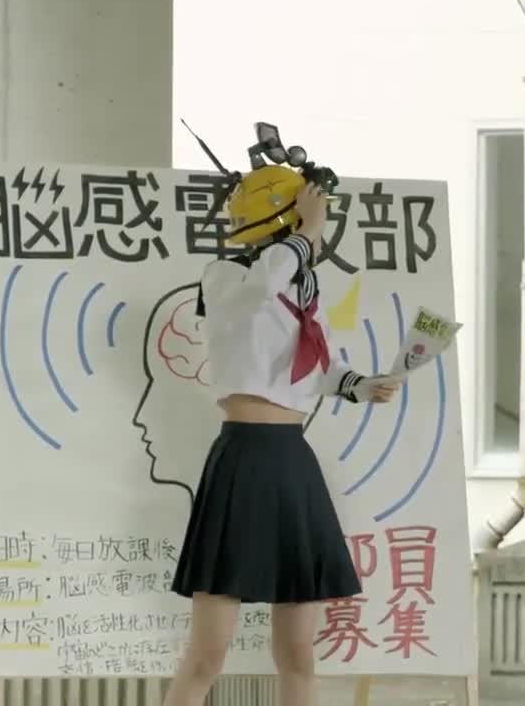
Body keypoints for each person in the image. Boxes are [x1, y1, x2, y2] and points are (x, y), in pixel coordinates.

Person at [163, 125, 399, 706]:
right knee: (207, 655)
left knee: (298, 656)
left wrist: (360, 385)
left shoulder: (300, 283)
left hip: (293, 459)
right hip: (243, 457)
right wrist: (307, 234)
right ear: (283, 220)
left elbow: (315, 364)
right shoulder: (226, 277)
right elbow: (262, 285)